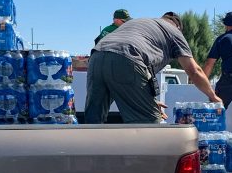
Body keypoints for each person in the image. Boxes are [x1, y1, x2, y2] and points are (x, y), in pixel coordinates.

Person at [85, 12, 222, 124]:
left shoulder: (141, 23)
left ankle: (89, 156)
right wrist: (213, 96)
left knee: (93, 121)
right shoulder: (174, 32)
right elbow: (194, 71)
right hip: (127, 57)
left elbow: (133, 78)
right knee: (150, 125)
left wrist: (150, 100)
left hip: (96, 57)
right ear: (178, 27)